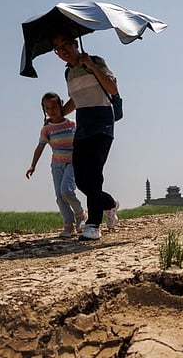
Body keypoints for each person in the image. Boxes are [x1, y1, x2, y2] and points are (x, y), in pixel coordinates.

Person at [51, 31, 119, 241]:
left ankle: (93, 226)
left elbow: (112, 88)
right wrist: (59, 113)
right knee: (81, 181)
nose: (63, 52)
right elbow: (75, 99)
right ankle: (109, 204)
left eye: (66, 46)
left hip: (102, 124)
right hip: (82, 129)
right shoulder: (68, 73)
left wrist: (91, 66)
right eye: (58, 49)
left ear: (75, 44)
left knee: (94, 175)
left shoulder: (96, 61)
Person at [26, 92, 87, 237]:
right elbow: (40, 147)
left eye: (54, 106)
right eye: (47, 108)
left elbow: (83, 142)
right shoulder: (47, 129)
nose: (51, 110)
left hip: (72, 163)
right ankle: (68, 224)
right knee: (59, 196)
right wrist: (32, 165)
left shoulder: (72, 124)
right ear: (44, 110)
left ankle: (80, 215)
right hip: (56, 165)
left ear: (61, 105)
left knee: (66, 191)